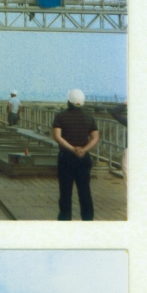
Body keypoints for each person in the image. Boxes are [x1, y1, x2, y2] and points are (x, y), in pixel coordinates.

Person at [53, 91, 99, 221]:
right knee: (85, 192)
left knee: (65, 193)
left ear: (68, 102)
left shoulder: (60, 117)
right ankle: (88, 220)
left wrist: (72, 149)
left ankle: (65, 219)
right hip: (83, 159)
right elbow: (95, 137)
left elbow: (57, 136)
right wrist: (83, 149)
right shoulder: (89, 118)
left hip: (66, 157)